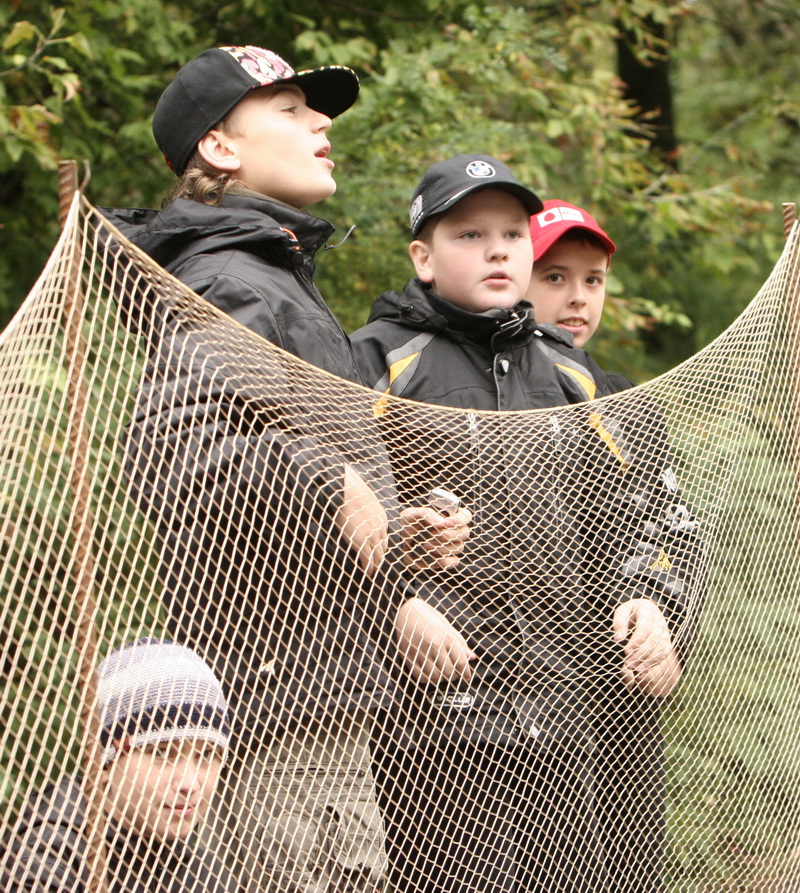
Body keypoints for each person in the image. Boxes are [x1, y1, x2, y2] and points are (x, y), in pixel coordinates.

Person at [100, 46, 473, 892]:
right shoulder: (231, 279)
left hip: (318, 697)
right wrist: (329, 480)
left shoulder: (275, 277)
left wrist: (397, 536)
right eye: (290, 110)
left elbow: (281, 510)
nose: (321, 123)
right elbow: (172, 453)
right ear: (219, 147)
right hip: (281, 712)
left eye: (318, 109)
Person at [351, 157, 703, 892]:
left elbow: (647, 513)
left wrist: (654, 603)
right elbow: (319, 518)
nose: (497, 250)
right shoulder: (374, 360)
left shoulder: (573, 374)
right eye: (470, 234)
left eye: (512, 233)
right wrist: (393, 604)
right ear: (422, 257)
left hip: (567, 713)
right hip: (433, 728)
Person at [527, 199, 705, 890]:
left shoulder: (625, 400)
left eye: (593, 279)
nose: (578, 297)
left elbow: (672, 527)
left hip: (622, 690)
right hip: (523, 700)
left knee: (632, 868)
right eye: (556, 277)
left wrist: (662, 613)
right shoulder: (474, 396)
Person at [1, 638, 235, 892]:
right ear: (104, 763)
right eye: (161, 752)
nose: (189, 783)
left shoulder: (205, 873)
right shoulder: (49, 859)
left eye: (207, 754)